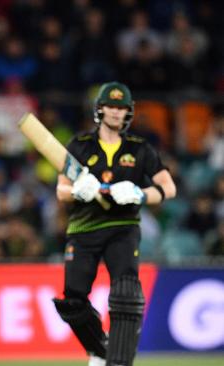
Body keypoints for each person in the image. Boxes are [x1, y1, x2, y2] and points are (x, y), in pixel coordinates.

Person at [54, 82, 176, 366]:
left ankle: (118, 362)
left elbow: (168, 188)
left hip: (123, 226)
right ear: (100, 109)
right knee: (72, 300)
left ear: (128, 113)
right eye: (111, 106)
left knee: (125, 292)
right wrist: (75, 191)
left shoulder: (140, 148)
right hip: (84, 229)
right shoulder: (80, 145)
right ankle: (100, 348)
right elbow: (61, 190)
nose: (116, 112)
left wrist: (140, 193)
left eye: (122, 108)